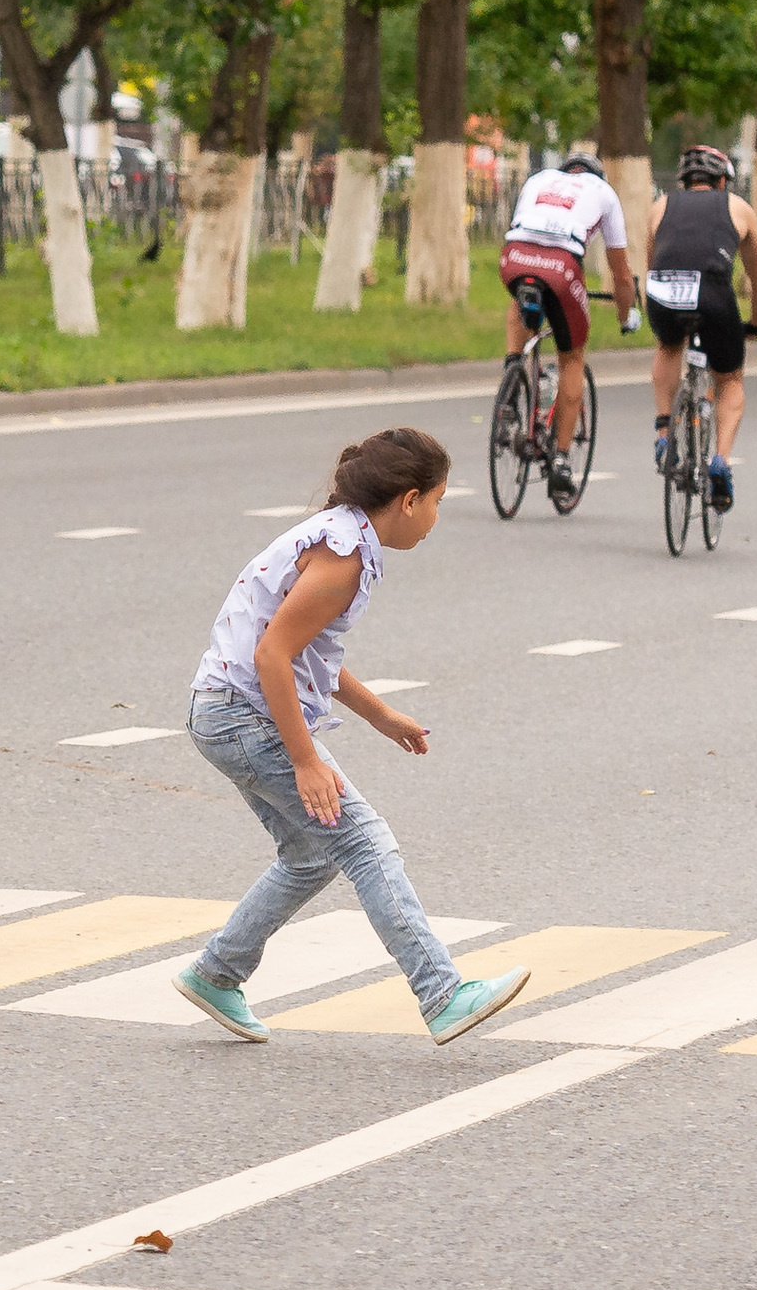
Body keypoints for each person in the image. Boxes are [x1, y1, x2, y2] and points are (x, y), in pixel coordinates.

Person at [173, 428, 531, 1045]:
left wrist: (381, 715)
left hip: (224, 712)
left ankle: (217, 973)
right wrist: (307, 759)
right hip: (244, 714)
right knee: (365, 843)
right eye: (440, 502)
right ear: (410, 499)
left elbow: (307, 652)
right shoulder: (344, 557)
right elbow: (273, 655)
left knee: (312, 854)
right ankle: (443, 993)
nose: (437, 519)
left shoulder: (346, 536)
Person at [498, 152, 639, 502]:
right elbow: (620, 272)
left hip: (513, 258)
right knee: (571, 356)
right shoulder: (604, 193)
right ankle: (561, 460)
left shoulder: (538, 179)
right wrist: (627, 315)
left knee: (521, 300)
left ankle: (511, 377)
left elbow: (528, 231)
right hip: (561, 268)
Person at [641, 143, 757, 512]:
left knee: (669, 347)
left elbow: (652, 265)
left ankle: (665, 432)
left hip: (663, 291)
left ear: (685, 181)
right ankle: (720, 461)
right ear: (721, 182)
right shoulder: (737, 207)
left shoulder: (660, 206)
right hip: (714, 295)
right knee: (730, 379)